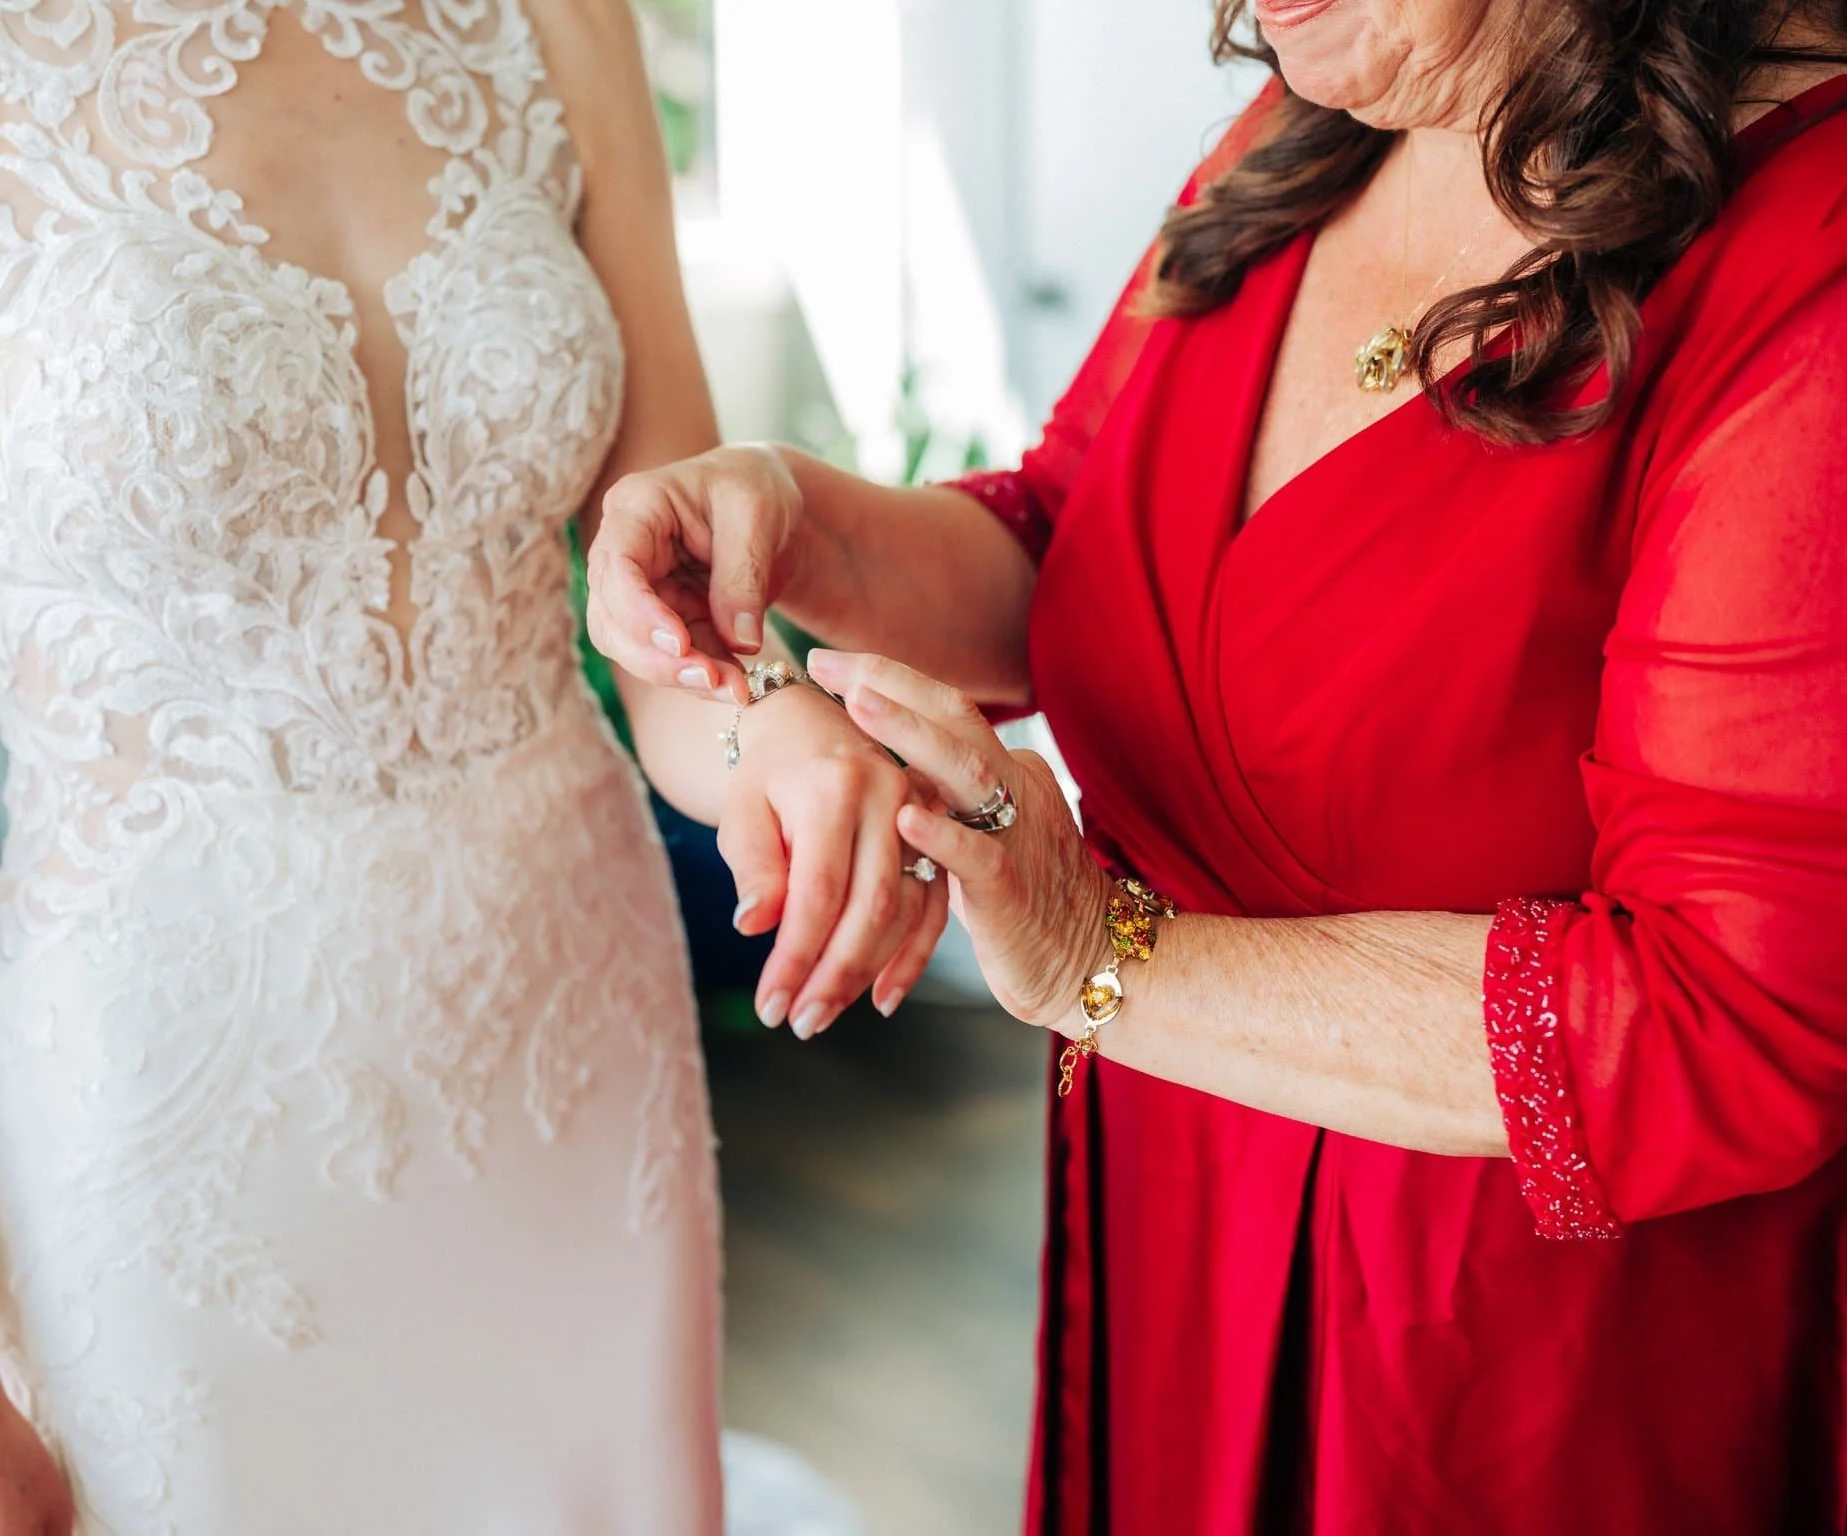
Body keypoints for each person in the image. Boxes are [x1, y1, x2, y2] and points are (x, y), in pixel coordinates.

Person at [588, 0, 1847, 1528]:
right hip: (1177, 1194)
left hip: (1510, 1338)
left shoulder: (1808, 266)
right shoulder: (1309, 136)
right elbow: (1088, 547)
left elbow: (1731, 1018)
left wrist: (1098, 958)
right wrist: (797, 520)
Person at [0, 1, 943, 1531]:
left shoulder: (560, 21)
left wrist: (776, 738)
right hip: (163, 1133)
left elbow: (675, 622)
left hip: (574, 1060)